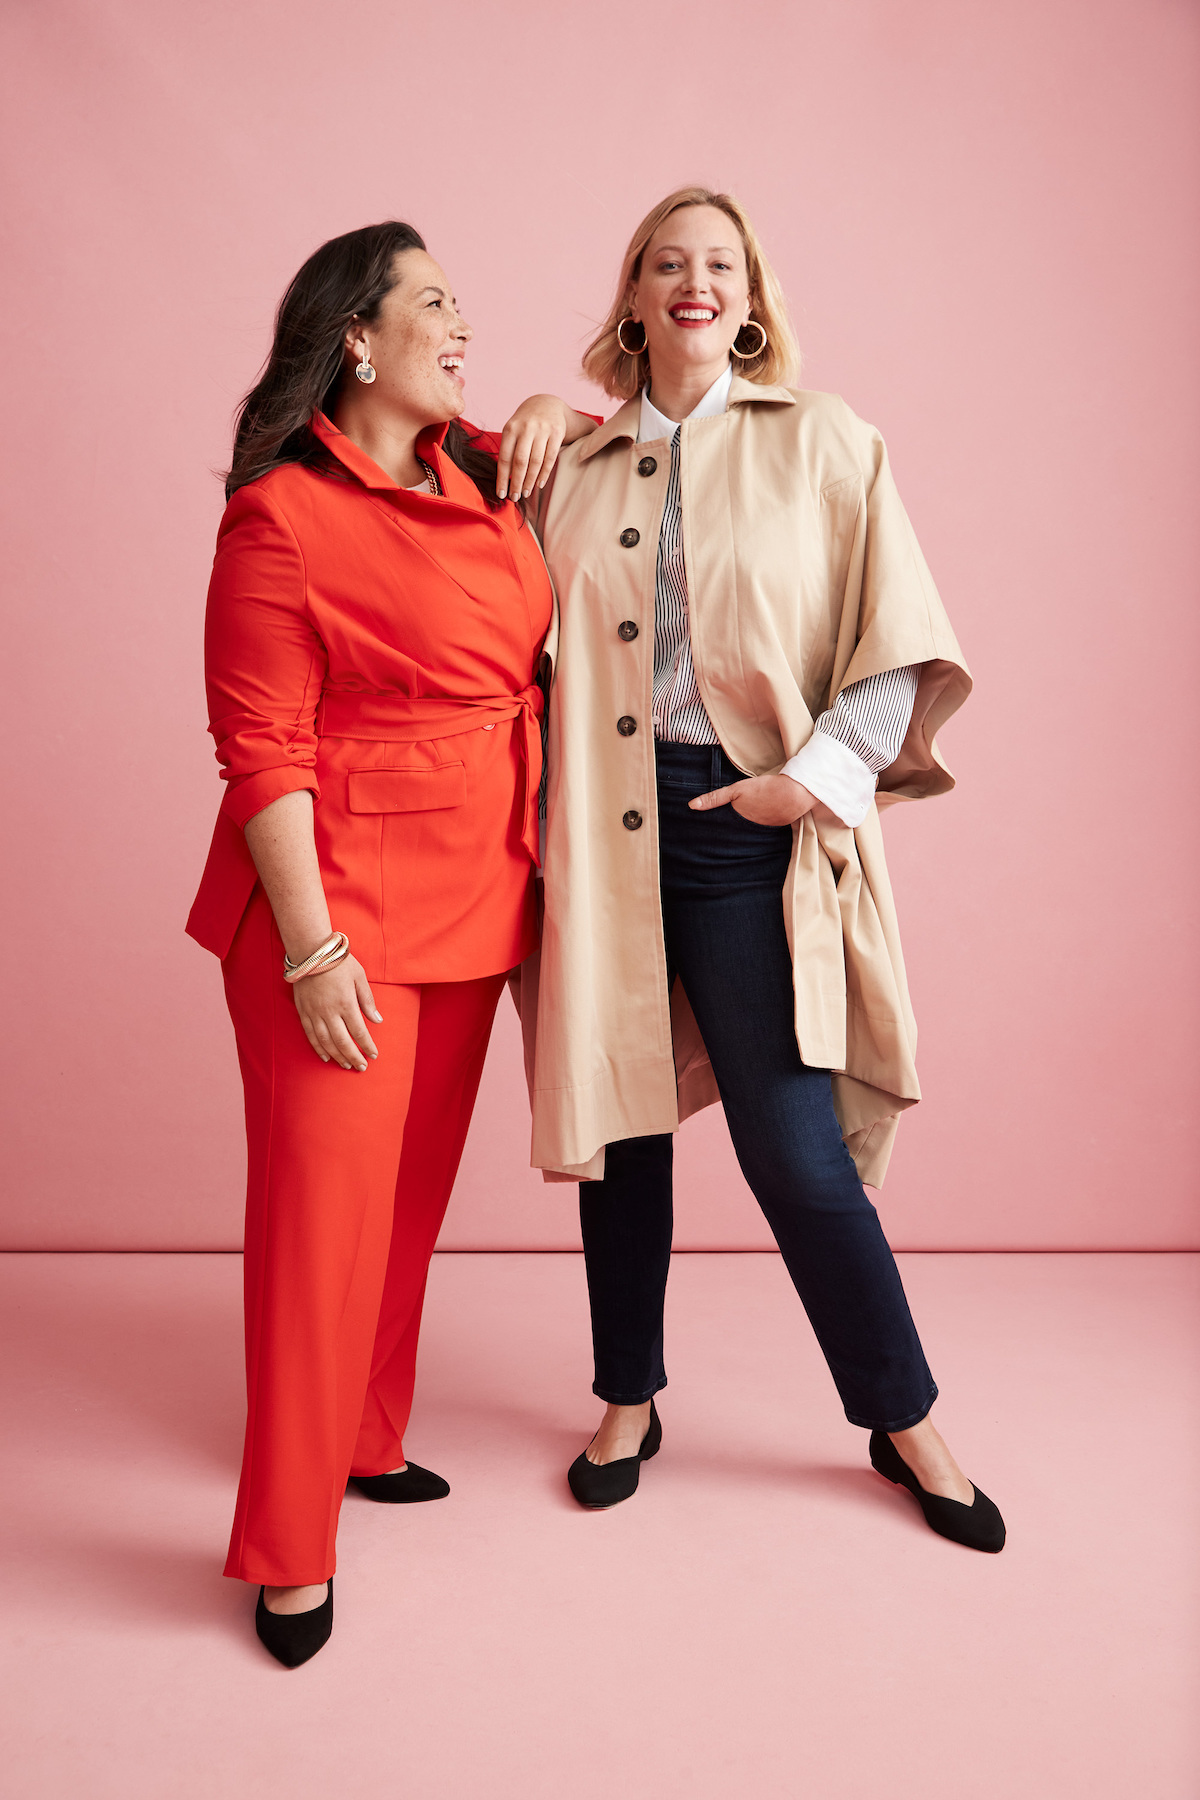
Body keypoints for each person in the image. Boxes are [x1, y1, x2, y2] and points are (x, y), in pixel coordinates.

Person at [522, 188, 1005, 1552]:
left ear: (748, 298)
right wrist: (538, 417)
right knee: (622, 1136)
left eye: (721, 265)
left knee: (793, 1151)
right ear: (633, 297)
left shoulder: (825, 439)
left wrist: (814, 780)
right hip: (601, 829)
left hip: (747, 831)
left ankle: (904, 1417)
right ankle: (627, 1399)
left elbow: (894, 636)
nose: (696, 282)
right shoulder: (571, 464)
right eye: (668, 263)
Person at [187, 220, 597, 1664]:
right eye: (435, 303)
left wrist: (547, 405)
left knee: (407, 1211)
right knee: (320, 1235)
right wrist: (310, 951)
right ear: (356, 338)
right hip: (339, 914)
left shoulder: (475, 464)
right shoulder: (281, 516)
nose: (462, 325)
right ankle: (289, 1549)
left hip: (478, 891)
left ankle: (367, 1438)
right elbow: (261, 753)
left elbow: (608, 441)